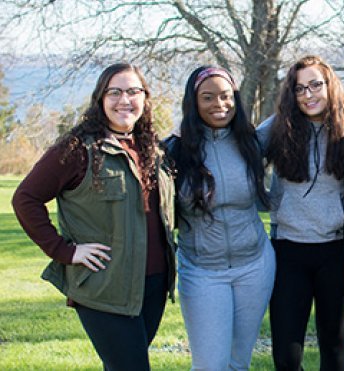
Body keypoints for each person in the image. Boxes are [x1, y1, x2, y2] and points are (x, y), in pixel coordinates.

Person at [12, 63, 176, 370]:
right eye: (114, 92)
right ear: (100, 99)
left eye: (133, 91)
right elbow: (25, 199)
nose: (124, 99)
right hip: (104, 288)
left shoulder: (154, 149)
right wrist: (65, 251)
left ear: (145, 98)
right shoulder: (77, 149)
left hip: (152, 285)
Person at [165, 66, 275, 370]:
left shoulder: (251, 141)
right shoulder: (173, 151)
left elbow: (293, 114)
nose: (219, 104)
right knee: (210, 366)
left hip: (255, 267)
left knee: (238, 363)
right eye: (208, 97)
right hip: (203, 271)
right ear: (193, 102)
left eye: (226, 96)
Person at [256, 55, 344, 371]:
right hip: (288, 251)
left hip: (335, 252)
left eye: (316, 85)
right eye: (300, 89)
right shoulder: (277, 128)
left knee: (333, 345)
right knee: (287, 354)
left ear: (330, 86)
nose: (309, 94)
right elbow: (240, 153)